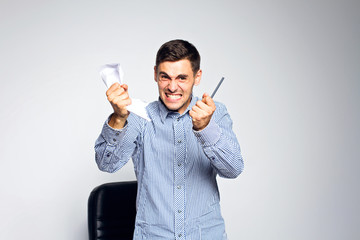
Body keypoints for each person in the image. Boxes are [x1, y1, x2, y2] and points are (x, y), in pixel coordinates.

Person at [95, 39, 244, 240]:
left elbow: (233, 169)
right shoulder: (140, 117)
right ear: (155, 74)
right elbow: (106, 164)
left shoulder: (215, 113)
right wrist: (119, 118)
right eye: (165, 77)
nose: (172, 87)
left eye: (182, 78)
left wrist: (205, 128)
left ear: (197, 77)